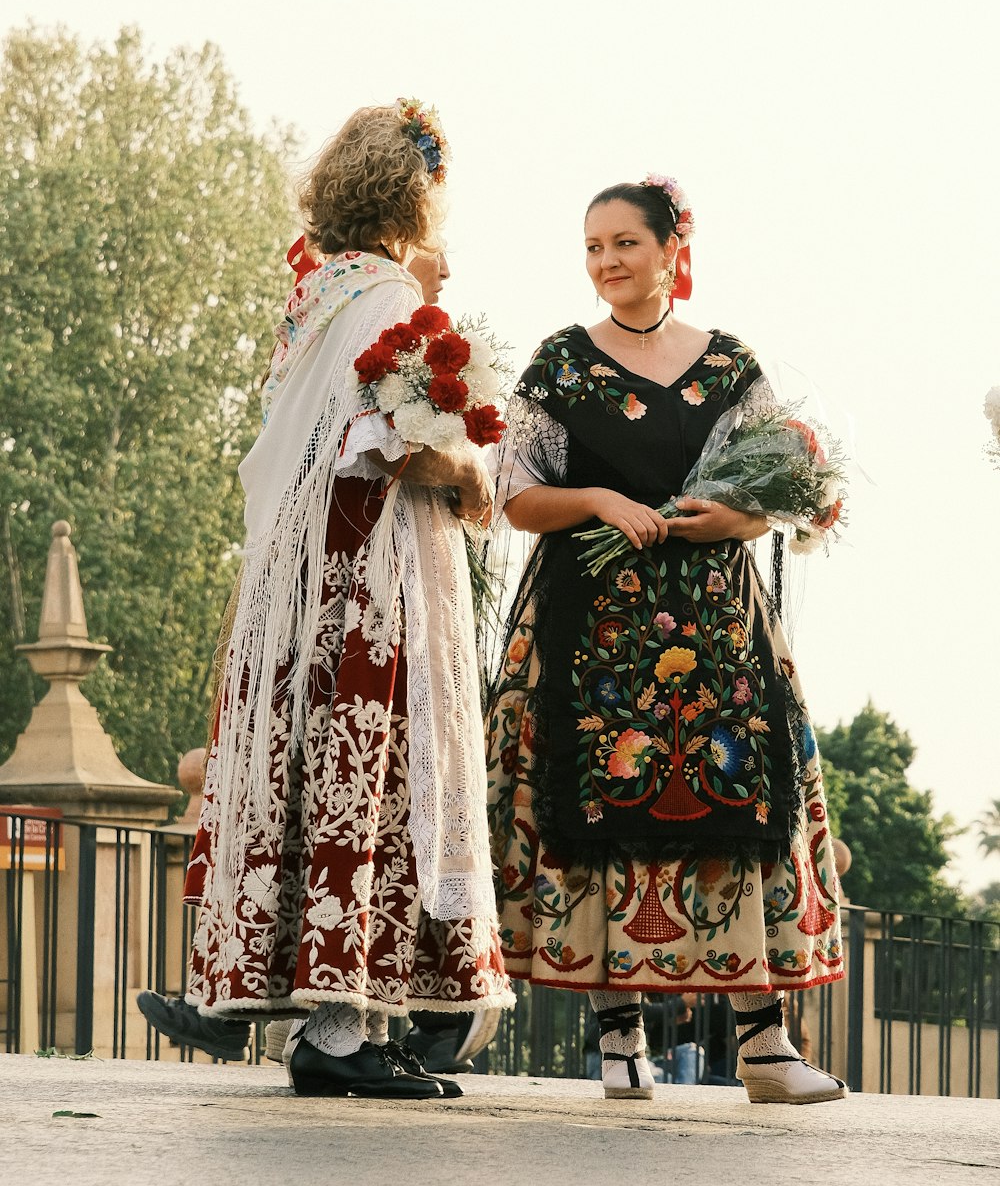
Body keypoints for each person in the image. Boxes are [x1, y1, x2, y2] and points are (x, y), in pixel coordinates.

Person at [172, 102, 513, 1099]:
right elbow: (390, 440)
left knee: (323, 760)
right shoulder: (389, 297)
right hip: (372, 568)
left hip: (302, 569)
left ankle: (340, 1022)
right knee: (374, 764)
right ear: (419, 194)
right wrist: (467, 474)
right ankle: (338, 1028)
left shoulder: (319, 292)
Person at [486, 175, 846, 1105]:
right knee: (600, 812)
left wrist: (720, 520)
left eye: (625, 245)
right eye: (593, 248)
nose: (608, 263)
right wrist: (603, 500)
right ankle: (618, 1043)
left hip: (717, 628)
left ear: (671, 248)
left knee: (736, 806)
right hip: (588, 630)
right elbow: (514, 493)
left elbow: (770, 502)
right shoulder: (560, 365)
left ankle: (765, 1048)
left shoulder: (730, 367)